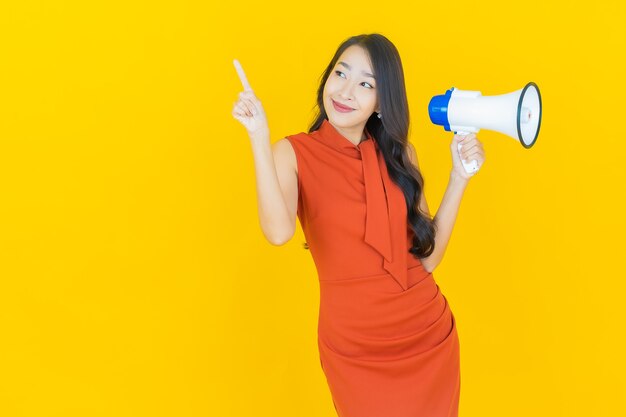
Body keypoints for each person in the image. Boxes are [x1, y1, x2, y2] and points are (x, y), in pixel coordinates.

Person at [232, 33, 485, 417]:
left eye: (366, 84)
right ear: (327, 78)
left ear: (382, 102)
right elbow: (279, 232)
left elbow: (427, 259)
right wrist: (258, 136)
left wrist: (459, 177)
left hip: (427, 335)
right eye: (341, 74)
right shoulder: (293, 153)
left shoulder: (401, 155)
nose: (346, 91)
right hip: (355, 348)